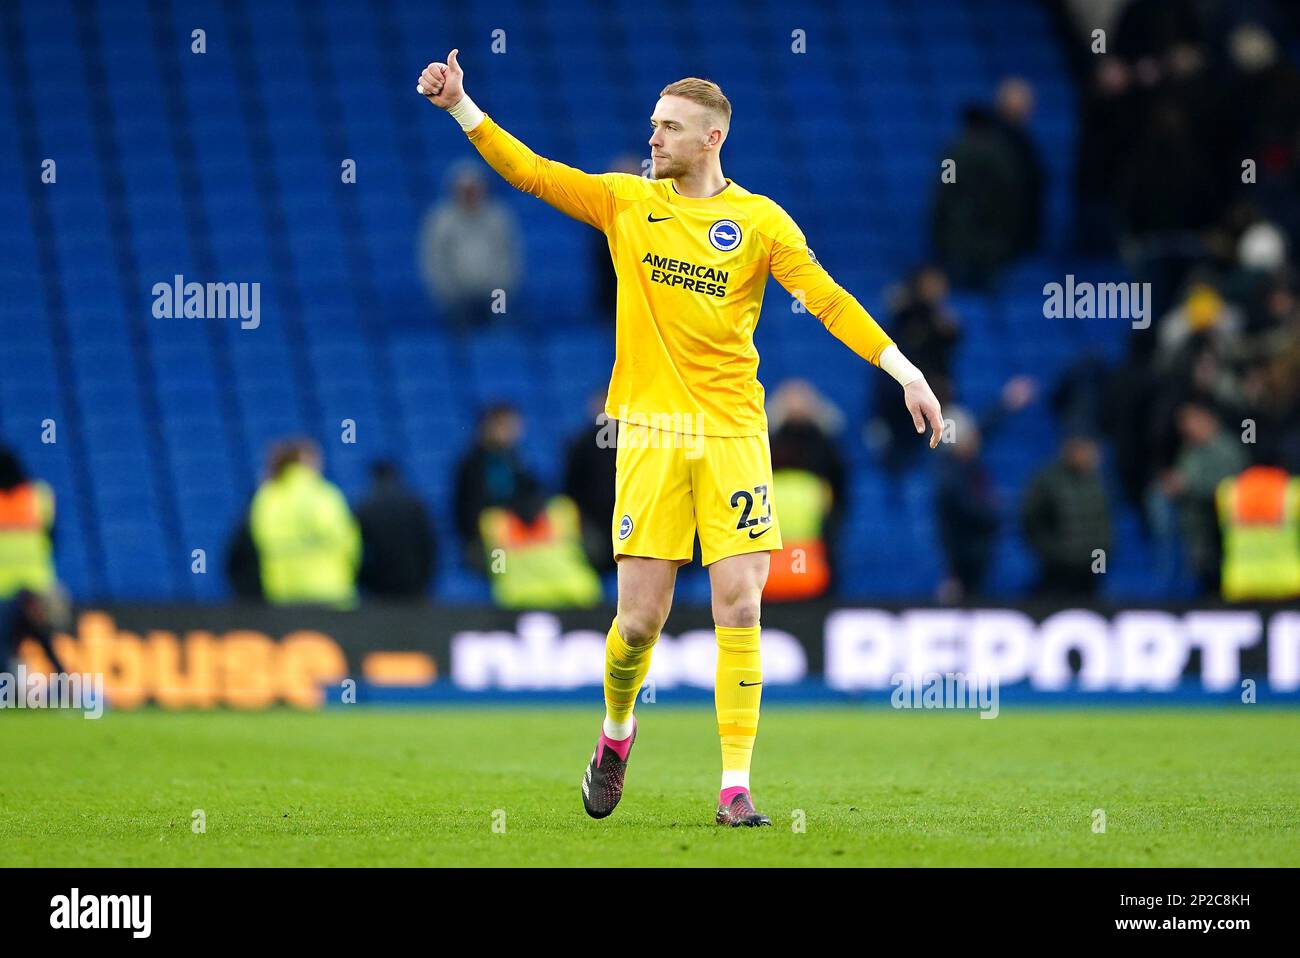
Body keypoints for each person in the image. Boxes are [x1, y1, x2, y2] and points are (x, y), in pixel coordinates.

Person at [418, 53, 943, 826]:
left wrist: (905, 371)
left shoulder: (760, 222)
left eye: (668, 127)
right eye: (653, 124)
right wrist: (463, 106)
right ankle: (616, 736)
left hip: (733, 430)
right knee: (639, 623)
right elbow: (529, 172)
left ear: (712, 137)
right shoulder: (627, 203)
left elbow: (826, 300)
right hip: (652, 434)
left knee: (739, 605)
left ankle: (735, 787)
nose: (652, 136)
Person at [247, 439, 360, 607]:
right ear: (306, 460)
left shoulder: (266, 497)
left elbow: (260, 540)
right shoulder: (323, 494)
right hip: (329, 590)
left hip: (282, 592)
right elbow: (347, 541)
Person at [418, 162, 520, 330]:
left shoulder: (499, 218)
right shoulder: (440, 220)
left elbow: (509, 256)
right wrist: (447, 293)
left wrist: (500, 289)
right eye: (465, 190)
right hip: (455, 298)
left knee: (500, 336)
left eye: (473, 189)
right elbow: (434, 259)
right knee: (458, 335)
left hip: (494, 295)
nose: (469, 195)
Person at [1020, 434, 1113, 599]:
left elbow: (1103, 528)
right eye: (1087, 451)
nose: (1093, 456)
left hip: (1089, 571)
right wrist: (1054, 555)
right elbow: (1031, 521)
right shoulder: (1049, 480)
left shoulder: (1097, 481)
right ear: (1072, 450)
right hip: (1059, 571)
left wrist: (1100, 566)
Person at [0, 446, 66, 671]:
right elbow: (53, 537)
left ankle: (10, 690)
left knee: (5, 644)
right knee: (44, 641)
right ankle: (68, 689)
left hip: (3, 589)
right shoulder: (39, 495)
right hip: (38, 585)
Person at [452, 404, 541, 571]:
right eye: (505, 425)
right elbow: (468, 514)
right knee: (502, 566)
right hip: (487, 541)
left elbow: (534, 496)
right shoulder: (471, 465)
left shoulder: (517, 462)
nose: (512, 431)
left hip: (518, 534)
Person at [355, 460, 437, 600]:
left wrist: (366, 581)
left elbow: (358, 551)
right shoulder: (415, 504)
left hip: (379, 589)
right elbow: (429, 544)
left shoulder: (365, 508)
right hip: (415, 585)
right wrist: (424, 578)